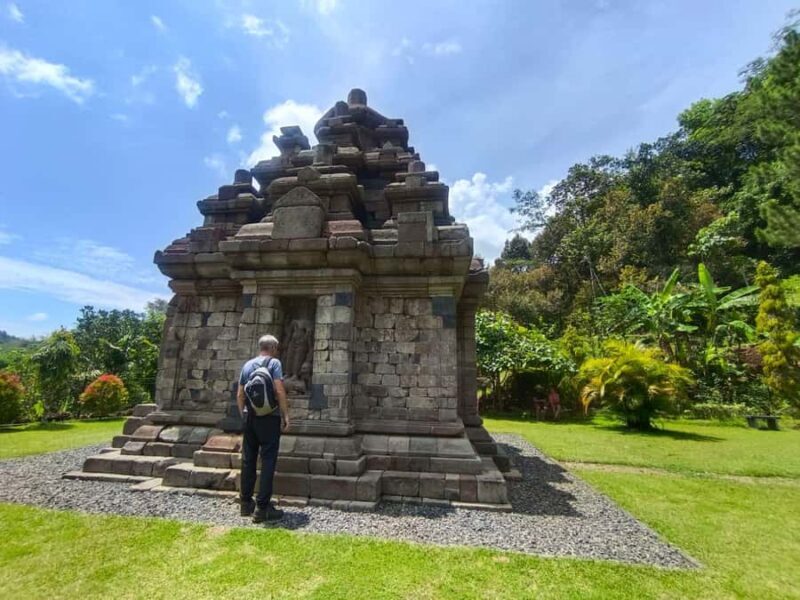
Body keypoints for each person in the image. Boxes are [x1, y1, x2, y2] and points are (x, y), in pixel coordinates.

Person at [237, 334, 290, 523]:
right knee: (268, 459)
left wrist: (244, 414)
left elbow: (240, 394)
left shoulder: (247, 365)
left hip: (250, 417)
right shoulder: (274, 363)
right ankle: (262, 507)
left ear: (260, 347)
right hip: (269, 417)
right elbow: (278, 390)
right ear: (274, 348)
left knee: (248, 459)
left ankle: (245, 503)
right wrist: (285, 415)